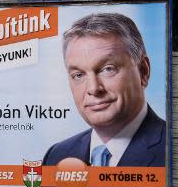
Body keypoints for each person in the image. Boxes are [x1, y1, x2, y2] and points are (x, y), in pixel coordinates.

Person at [42, 13, 165, 167]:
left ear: (143, 71)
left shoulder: (169, 150)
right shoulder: (56, 155)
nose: (93, 88)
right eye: (78, 75)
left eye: (108, 69)